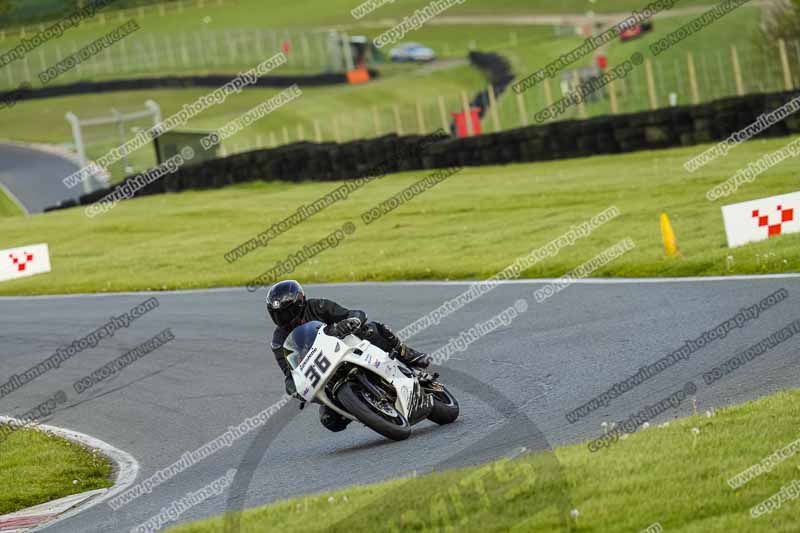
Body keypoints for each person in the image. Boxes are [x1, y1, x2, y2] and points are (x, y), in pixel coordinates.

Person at [266, 279, 431, 432]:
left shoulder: (318, 306)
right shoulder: (278, 341)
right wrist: (293, 389)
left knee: (372, 329)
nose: (284, 318)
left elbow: (353, 313)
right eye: (278, 314)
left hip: (345, 347)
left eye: (287, 312)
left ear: (300, 302)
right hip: (324, 373)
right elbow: (289, 373)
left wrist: (349, 322)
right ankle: (365, 409)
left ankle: (406, 353)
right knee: (329, 420)